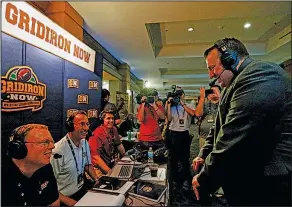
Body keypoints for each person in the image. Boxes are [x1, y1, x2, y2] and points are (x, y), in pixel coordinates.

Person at [192, 38, 291, 206]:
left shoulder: (261, 74)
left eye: (212, 68)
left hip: (267, 185)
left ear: (230, 59)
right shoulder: (234, 84)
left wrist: (205, 178)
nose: (210, 75)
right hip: (250, 181)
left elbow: (234, 136)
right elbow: (220, 125)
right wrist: (204, 153)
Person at [2, 124, 60, 206]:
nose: (52, 146)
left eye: (51, 142)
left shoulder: (45, 167)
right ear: (19, 147)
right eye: (44, 142)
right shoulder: (4, 177)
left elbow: (53, 202)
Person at [51, 111, 99, 206]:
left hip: (81, 191)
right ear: (70, 126)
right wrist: (72, 203)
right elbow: (49, 187)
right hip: (65, 199)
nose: (86, 128)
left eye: (87, 124)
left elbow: (87, 165)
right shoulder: (58, 151)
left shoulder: (84, 142)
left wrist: (97, 180)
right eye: (81, 124)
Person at [165, 88, 205, 196]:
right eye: (176, 95)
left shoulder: (188, 106)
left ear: (183, 95)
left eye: (180, 94)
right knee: (173, 159)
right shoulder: (172, 107)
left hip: (184, 134)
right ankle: (174, 181)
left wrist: (182, 104)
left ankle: (186, 180)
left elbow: (193, 113)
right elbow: (168, 118)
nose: (178, 96)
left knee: (184, 158)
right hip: (173, 134)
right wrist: (168, 104)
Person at [89, 110, 126, 175]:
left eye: (112, 119)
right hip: (98, 168)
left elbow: (119, 144)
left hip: (110, 163)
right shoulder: (96, 134)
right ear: (102, 120)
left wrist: (125, 159)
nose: (111, 121)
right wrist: (111, 173)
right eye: (108, 118)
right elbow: (96, 158)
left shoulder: (114, 129)